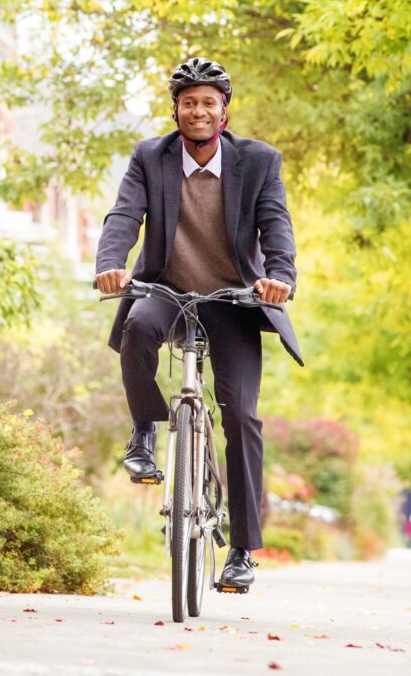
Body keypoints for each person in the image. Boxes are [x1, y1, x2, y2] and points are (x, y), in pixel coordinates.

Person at [94, 57, 302, 592]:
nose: (199, 110)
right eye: (189, 102)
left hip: (232, 301)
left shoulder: (258, 162)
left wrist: (279, 278)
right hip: (167, 287)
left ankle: (240, 553)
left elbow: (275, 224)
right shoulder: (150, 157)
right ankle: (145, 430)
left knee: (242, 418)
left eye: (209, 101)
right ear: (176, 111)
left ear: (224, 111)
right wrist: (109, 265)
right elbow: (124, 215)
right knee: (138, 327)